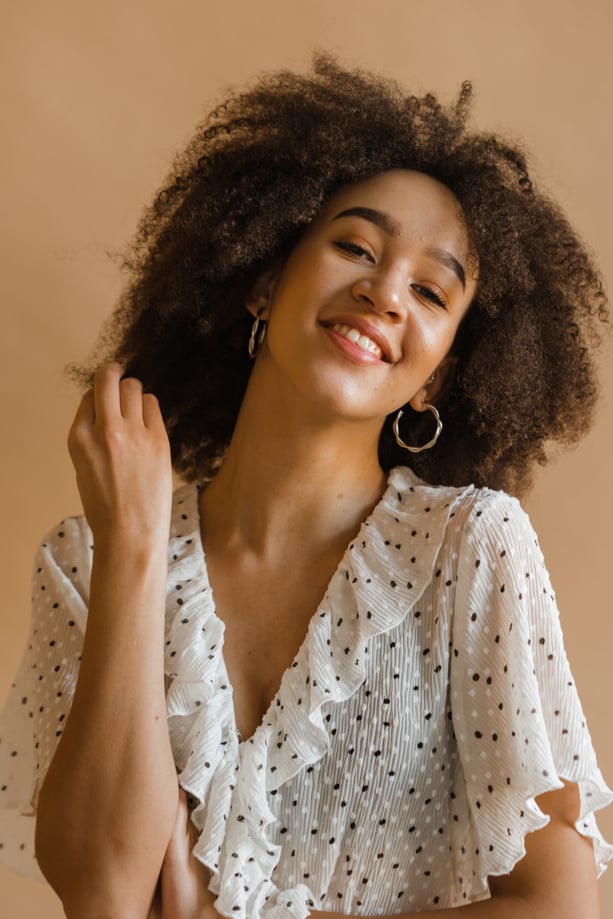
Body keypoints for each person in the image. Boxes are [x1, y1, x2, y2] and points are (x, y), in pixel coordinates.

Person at [0, 54, 611, 919]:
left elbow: (560, 910)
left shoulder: (470, 550)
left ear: (437, 377)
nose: (384, 292)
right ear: (261, 277)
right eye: (354, 245)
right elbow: (104, 892)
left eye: (432, 292)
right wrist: (133, 549)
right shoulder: (88, 558)